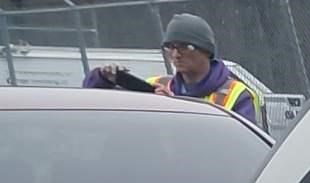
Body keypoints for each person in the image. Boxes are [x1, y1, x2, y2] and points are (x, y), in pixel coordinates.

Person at [82, 14, 265, 129]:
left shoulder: (237, 94)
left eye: (186, 47)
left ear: (206, 51)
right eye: (171, 47)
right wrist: (104, 77)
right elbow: (96, 102)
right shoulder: (156, 86)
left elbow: (240, 148)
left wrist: (175, 106)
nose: (176, 55)